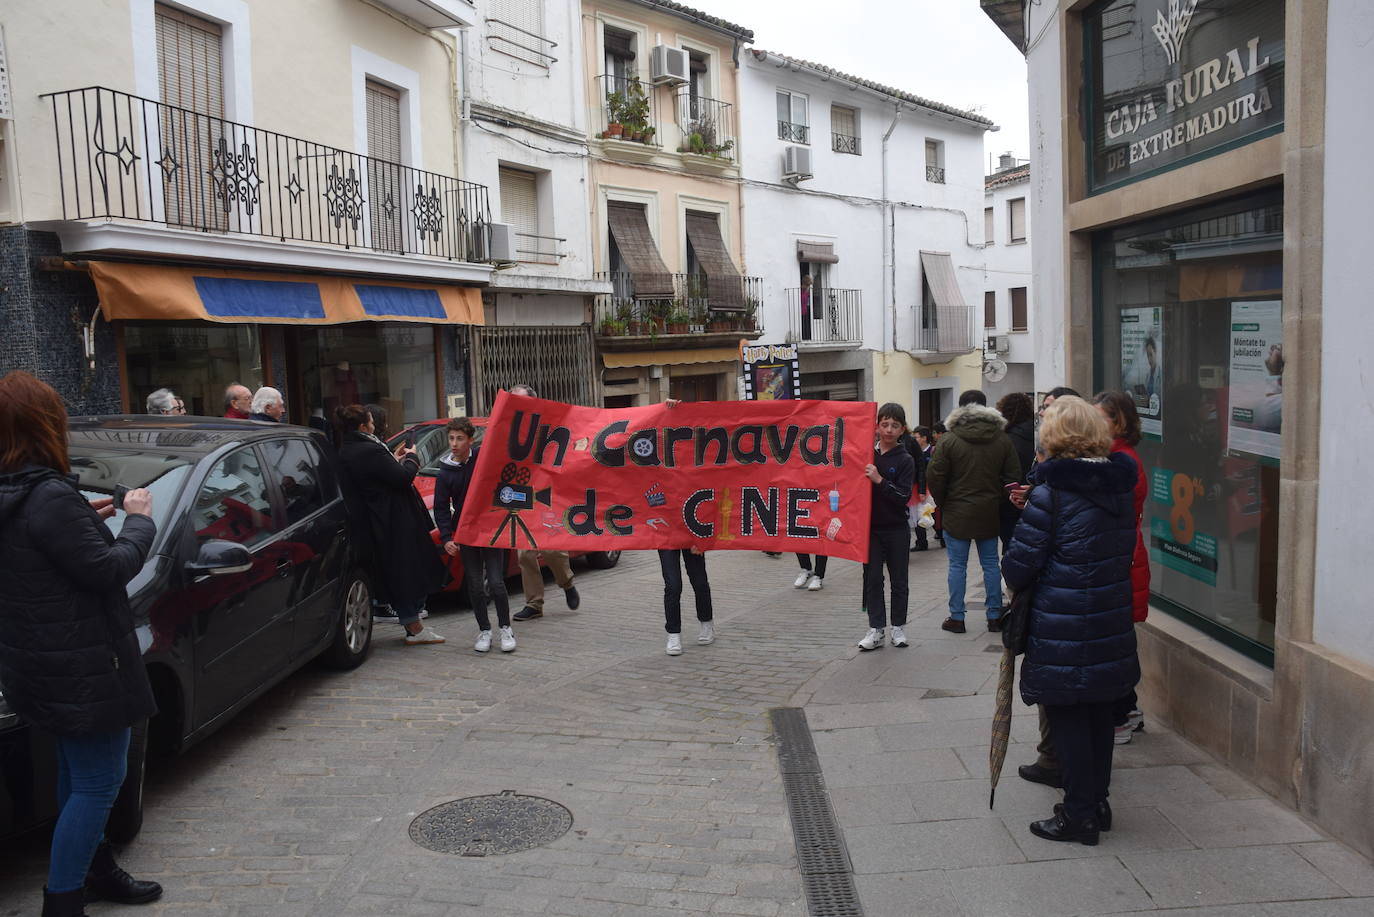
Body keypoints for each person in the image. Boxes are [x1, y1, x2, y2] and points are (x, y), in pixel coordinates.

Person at [0, 370, 165, 916]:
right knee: (99, 781)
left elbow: (41, 556)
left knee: (77, 771)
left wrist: (82, 522)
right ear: (45, 425)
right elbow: (108, 570)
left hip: (40, 661)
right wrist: (139, 522)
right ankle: (63, 900)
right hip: (85, 663)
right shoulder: (47, 495)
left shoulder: (16, 491)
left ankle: (96, 871)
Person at [1002, 396, 1140, 845]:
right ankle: (1096, 803)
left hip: (1065, 624)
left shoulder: (1052, 493)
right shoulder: (1118, 486)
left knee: (1068, 720)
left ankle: (1078, 814)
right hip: (1108, 621)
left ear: (1056, 437)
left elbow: (1019, 567)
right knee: (1099, 717)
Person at [334, 404, 445, 646]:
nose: (374, 424)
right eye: (371, 421)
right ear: (363, 426)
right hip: (391, 519)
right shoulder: (367, 450)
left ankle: (413, 624)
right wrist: (413, 458)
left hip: (383, 518)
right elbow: (402, 478)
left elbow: (378, 475)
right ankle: (414, 628)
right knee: (404, 571)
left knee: (405, 569)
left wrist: (392, 460)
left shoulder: (350, 449)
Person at [927, 394, 1021, 634]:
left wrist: (944, 502)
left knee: (957, 565)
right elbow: (1013, 476)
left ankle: (957, 617)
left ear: (961, 408)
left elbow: (935, 476)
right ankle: (993, 616)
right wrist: (996, 498)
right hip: (989, 510)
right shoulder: (1001, 439)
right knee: (990, 564)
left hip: (956, 511)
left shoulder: (949, 440)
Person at [1094, 390, 1150, 745]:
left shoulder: (1122, 461)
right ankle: (1128, 710)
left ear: (1120, 422)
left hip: (1121, 561)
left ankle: (1120, 717)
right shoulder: (1111, 456)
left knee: (1114, 645)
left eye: (1102, 417)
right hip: (1120, 558)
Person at [433, 417, 515, 653]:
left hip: (490, 530)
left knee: (497, 583)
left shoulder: (481, 458)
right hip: (466, 534)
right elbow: (441, 508)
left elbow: (501, 448)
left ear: (470, 440)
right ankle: (485, 630)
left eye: (460, 438)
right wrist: (447, 537)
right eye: (451, 438)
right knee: (476, 585)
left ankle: (505, 628)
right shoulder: (445, 472)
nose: (454, 443)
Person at [507, 385, 579, 622]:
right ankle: (534, 603)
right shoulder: (506, 430)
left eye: (523, 401)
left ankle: (566, 582)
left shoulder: (548, 428)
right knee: (525, 554)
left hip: (548, 494)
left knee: (551, 548)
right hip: (521, 495)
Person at [857, 403, 916, 651]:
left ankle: (898, 627)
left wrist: (879, 480)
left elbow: (902, 496)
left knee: (899, 579)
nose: (889, 430)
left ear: (902, 429)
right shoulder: (866, 455)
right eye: (885, 424)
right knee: (872, 579)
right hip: (869, 529)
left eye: (894, 425)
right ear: (876, 426)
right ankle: (876, 628)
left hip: (896, 529)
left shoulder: (905, 459)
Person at [997, 392, 1036, 551]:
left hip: (1009, 500)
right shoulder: (1039, 434)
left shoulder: (1004, 439)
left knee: (1011, 548)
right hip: (1037, 497)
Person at [907, 425, 933, 551]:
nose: (914, 439)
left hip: (920, 487)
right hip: (914, 486)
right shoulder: (912, 448)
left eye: (916, 437)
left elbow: (921, 471)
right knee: (916, 515)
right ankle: (921, 541)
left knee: (921, 514)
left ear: (924, 438)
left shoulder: (929, 452)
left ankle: (924, 541)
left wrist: (922, 490)